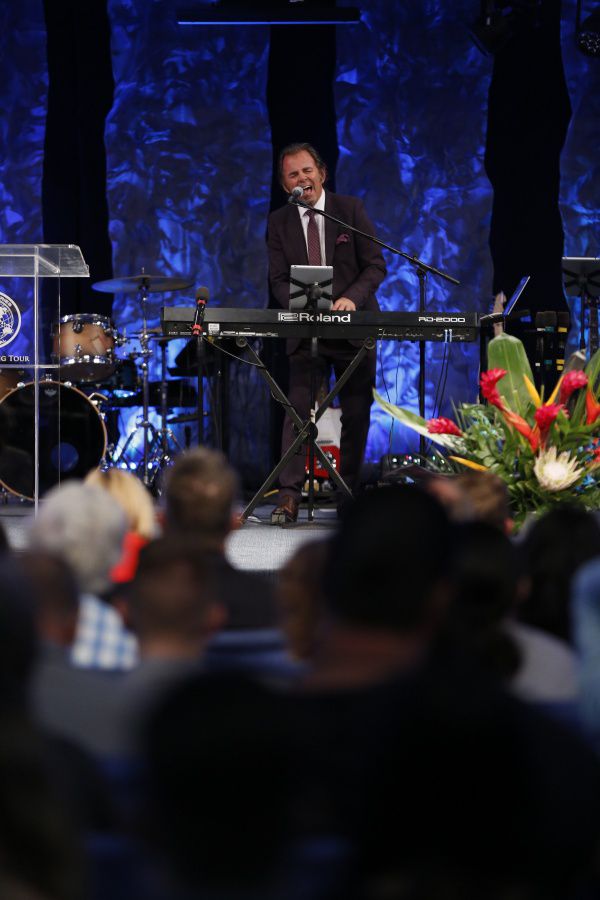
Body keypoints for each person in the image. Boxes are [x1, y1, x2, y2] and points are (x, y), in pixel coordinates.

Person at [268, 142, 387, 524]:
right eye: (293, 175)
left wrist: (351, 298)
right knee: (296, 412)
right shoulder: (279, 222)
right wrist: (301, 305)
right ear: (285, 186)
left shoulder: (350, 210)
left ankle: (347, 495)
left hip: (353, 332)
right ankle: (289, 496)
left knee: (357, 413)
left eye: (307, 171)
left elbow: (375, 265)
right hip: (307, 331)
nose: (302, 179)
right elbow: (277, 279)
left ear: (322, 173)